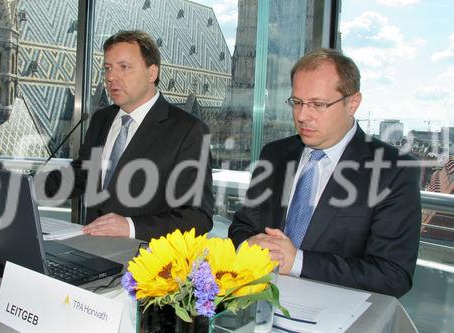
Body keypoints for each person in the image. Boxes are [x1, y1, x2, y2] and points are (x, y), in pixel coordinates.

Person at [228, 48, 421, 298]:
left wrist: (298, 262)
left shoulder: (394, 171)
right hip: (260, 305)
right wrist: (247, 245)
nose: (302, 116)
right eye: (297, 102)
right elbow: (243, 225)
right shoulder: (275, 154)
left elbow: (394, 275)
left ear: (353, 103)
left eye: (318, 104)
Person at [39, 30, 214, 241]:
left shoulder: (189, 130)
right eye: (108, 68)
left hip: (144, 260)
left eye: (124, 67)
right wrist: (31, 187)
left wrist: (129, 227)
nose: (111, 77)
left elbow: (197, 217)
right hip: (89, 248)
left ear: (152, 73)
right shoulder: (101, 119)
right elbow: (83, 174)